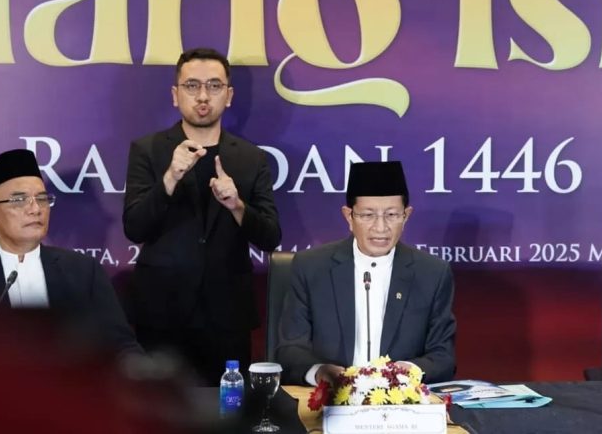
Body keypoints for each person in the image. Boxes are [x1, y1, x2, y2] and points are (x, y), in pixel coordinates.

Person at [123, 48, 281, 384]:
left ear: (229, 95)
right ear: (175, 94)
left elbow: (270, 236)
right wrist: (169, 178)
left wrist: (237, 205)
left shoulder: (251, 157)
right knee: (158, 408)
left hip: (227, 315)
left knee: (228, 407)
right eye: (192, 86)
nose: (203, 96)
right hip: (162, 313)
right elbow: (134, 227)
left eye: (214, 85)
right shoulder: (148, 150)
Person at [276, 161, 456, 386]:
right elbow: (289, 350)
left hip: (402, 400)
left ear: (406, 216)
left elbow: (443, 357)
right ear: (349, 216)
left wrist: (407, 372)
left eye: (392, 215)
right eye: (368, 215)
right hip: (330, 398)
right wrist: (321, 372)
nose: (380, 227)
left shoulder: (432, 273)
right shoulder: (311, 267)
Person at [0, 149, 140, 355]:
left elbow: (122, 347)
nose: (35, 209)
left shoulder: (84, 271)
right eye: (19, 200)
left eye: (42, 199)